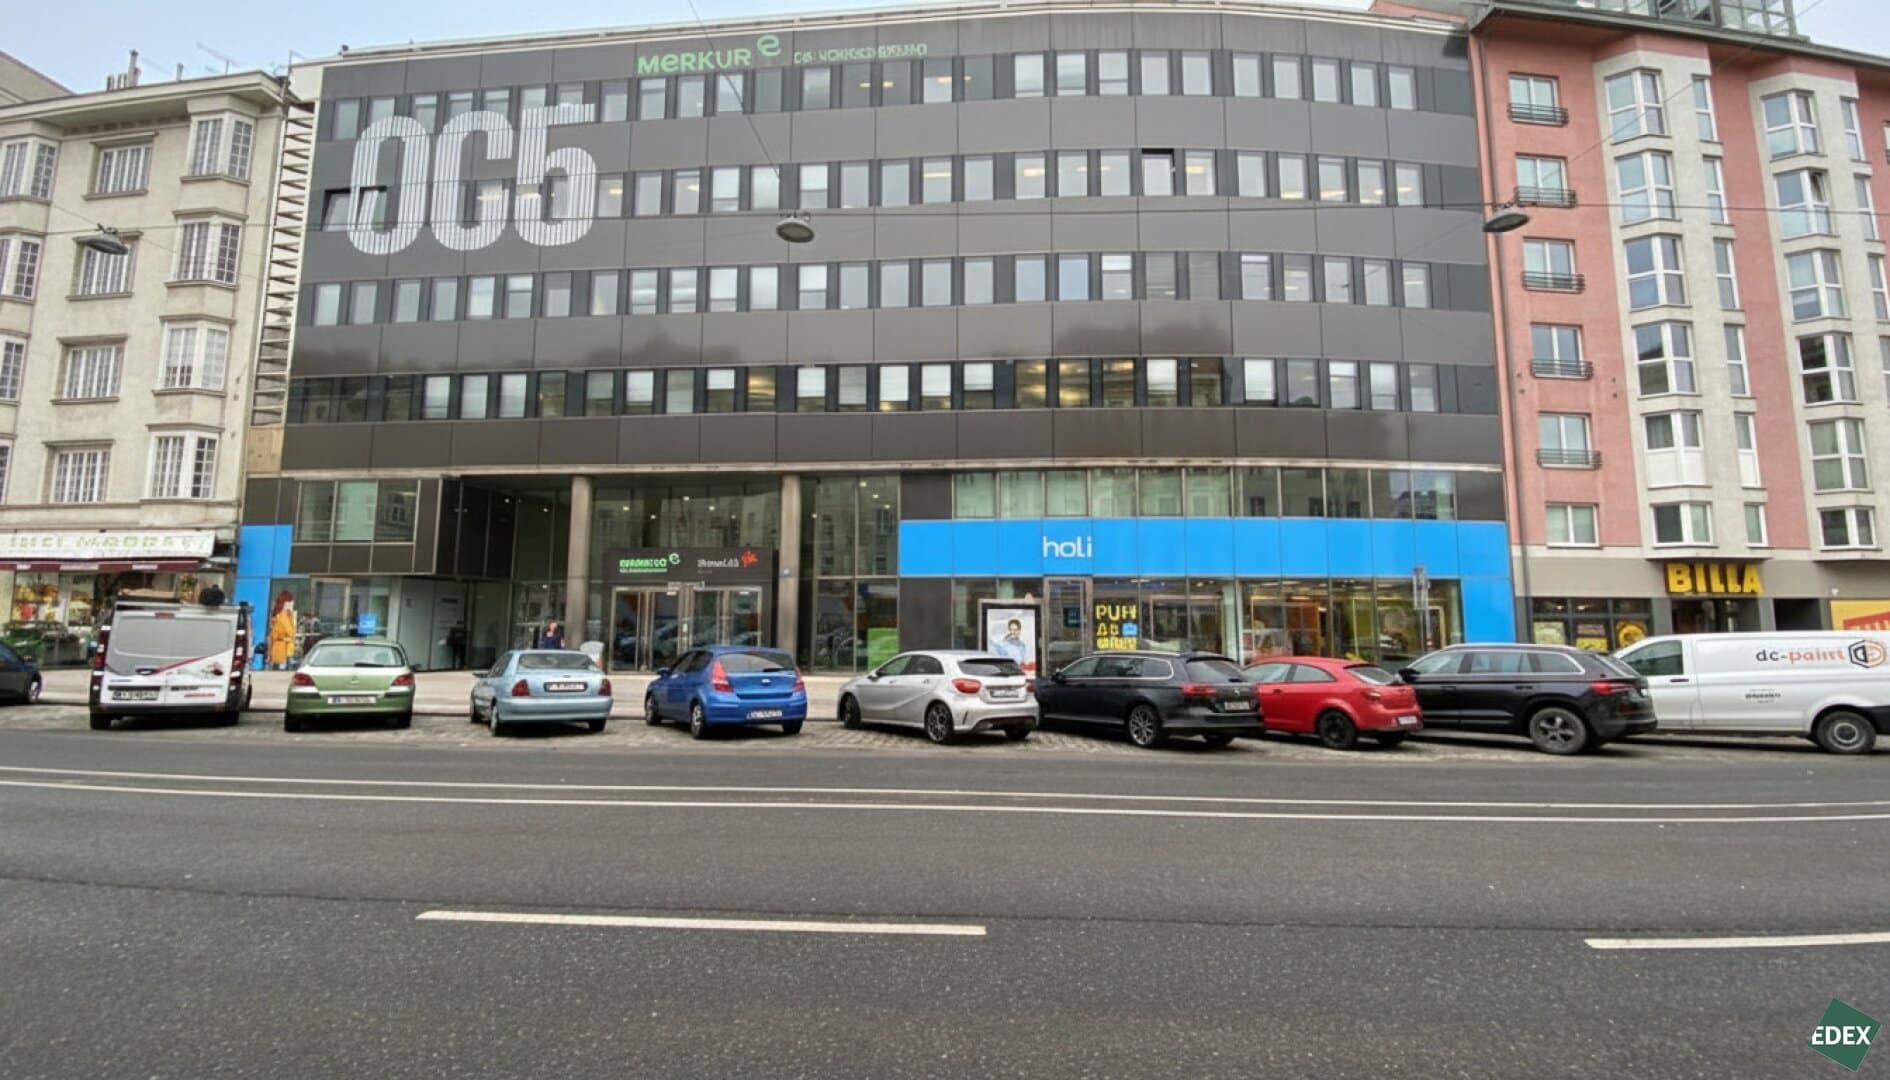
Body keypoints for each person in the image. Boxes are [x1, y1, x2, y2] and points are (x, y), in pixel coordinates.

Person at [267, 592, 297, 671]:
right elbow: (277, 634)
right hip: (281, 651)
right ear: (285, 603)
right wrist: (288, 638)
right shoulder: (280, 617)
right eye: (290, 602)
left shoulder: (288, 615)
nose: (292, 604)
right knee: (280, 672)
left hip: (288, 651)